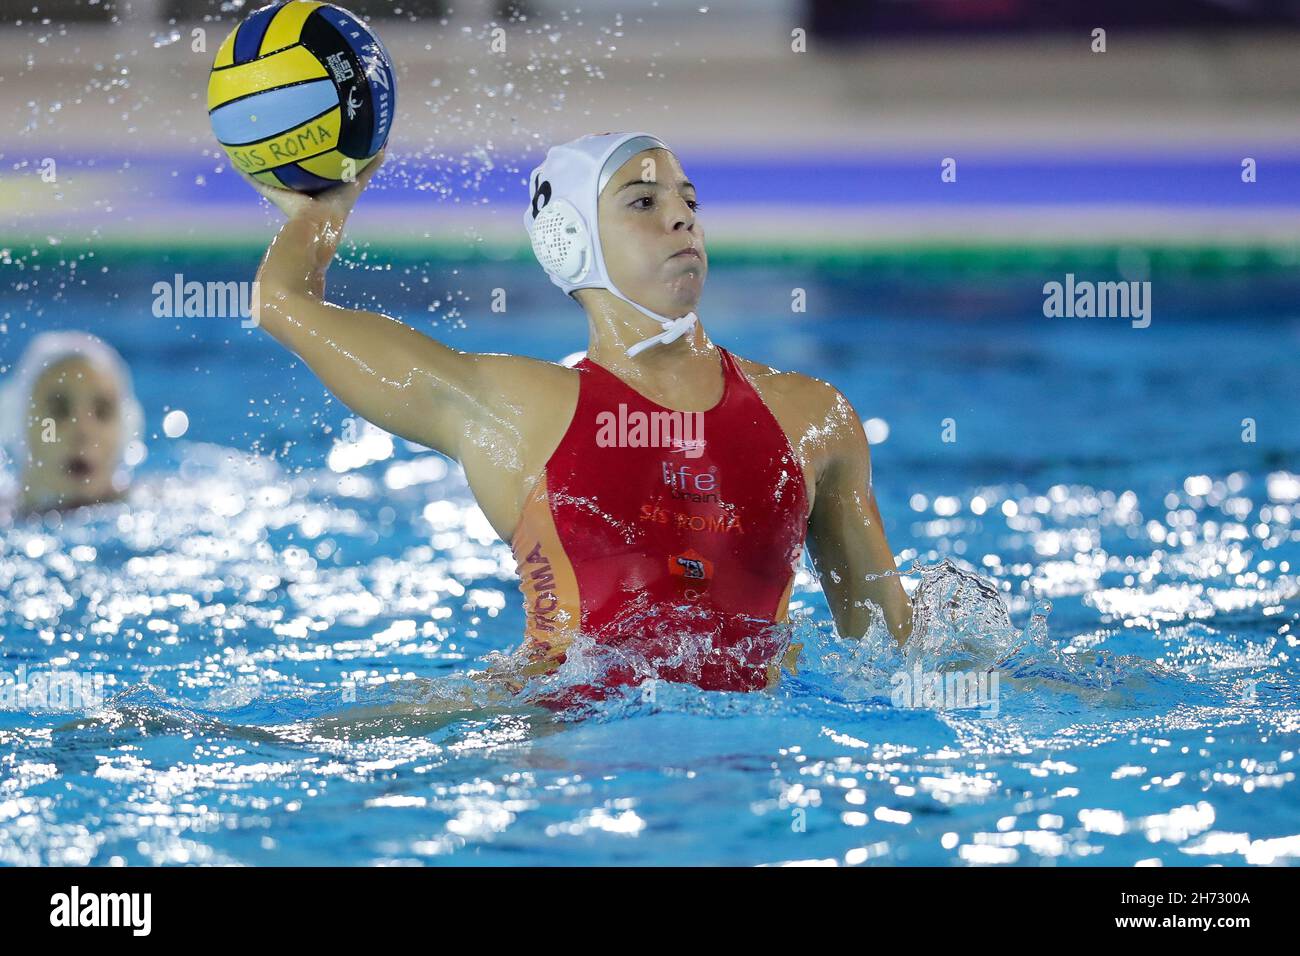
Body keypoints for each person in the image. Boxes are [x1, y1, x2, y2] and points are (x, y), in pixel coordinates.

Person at [240, 131, 912, 698]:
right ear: (568, 239)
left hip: (755, 761)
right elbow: (283, 304)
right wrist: (330, 201)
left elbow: (892, 658)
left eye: (689, 200)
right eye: (643, 202)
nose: (681, 218)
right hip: (562, 742)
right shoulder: (509, 409)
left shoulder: (813, 418)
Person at [0, 332, 144, 517]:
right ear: (17, 426)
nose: (84, 432)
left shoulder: (158, 505)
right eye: (58, 411)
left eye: (102, 412)